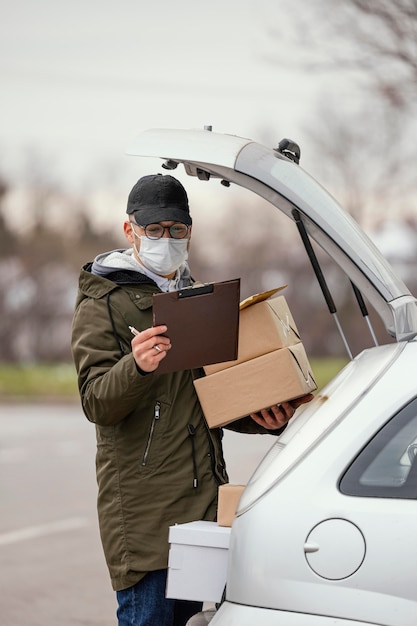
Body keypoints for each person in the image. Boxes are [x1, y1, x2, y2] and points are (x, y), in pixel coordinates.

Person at [71, 173, 313, 626]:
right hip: (145, 516)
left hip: (203, 506)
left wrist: (264, 417)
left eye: (177, 230)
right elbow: (96, 403)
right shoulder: (103, 301)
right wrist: (138, 365)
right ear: (130, 230)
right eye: (154, 229)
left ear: (189, 232)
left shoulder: (197, 296)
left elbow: (211, 397)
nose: (167, 239)